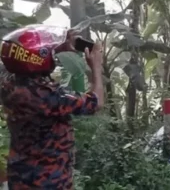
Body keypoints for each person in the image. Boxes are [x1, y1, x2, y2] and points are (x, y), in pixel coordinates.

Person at [0, 26, 104, 189]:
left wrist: (59, 47)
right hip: (47, 181)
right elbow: (96, 102)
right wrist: (96, 67)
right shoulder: (46, 96)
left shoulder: (9, 85)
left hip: (20, 177)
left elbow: (22, 60)